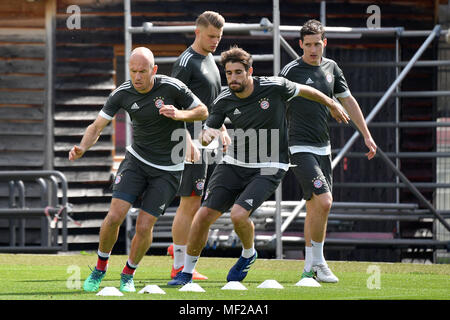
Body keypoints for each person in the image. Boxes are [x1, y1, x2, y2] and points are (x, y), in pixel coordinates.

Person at [168, 46, 350, 285]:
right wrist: (196, 142)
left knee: (238, 215)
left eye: (238, 72)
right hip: (233, 162)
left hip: (270, 165)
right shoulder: (224, 100)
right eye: (229, 73)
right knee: (202, 216)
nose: (233, 78)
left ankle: (247, 253)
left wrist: (332, 103)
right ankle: (186, 273)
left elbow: (306, 90)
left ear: (249, 72)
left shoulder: (274, 86)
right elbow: (208, 132)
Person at [68, 47, 208, 293]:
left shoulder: (172, 87)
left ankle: (128, 274)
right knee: (114, 217)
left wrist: (179, 114)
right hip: (136, 161)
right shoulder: (122, 93)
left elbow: (203, 110)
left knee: (144, 226)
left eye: (143, 71)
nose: (138, 76)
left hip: (168, 169)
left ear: (153, 70)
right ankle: (100, 268)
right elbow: (97, 125)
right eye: (133, 71)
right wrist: (82, 147)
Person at [279, 19, 377, 285]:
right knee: (324, 201)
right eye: (308, 44)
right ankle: (318, 263)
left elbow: (349, 101)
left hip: (324, 148)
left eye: (317, 44)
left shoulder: (332, 68)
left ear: (325, 43)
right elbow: (276, 104)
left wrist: (366, 135)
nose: (313, 49)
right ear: (300, 45)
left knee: (316, 208)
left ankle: (309, 269)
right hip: (298, 147)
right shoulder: (290, 70)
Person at [168, 11, 230, 281]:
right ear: (197, 32)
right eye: (211, 36)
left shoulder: (210, 60)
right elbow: (172, 104)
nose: (216, 41)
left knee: (204, 203)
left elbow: (211, 103)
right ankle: (179, 265)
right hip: (189, 143)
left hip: (209, 141)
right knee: (189, 203)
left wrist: (222, 128)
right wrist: (186, 139)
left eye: (219, 37)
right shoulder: (186, 62)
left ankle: (178, 250)